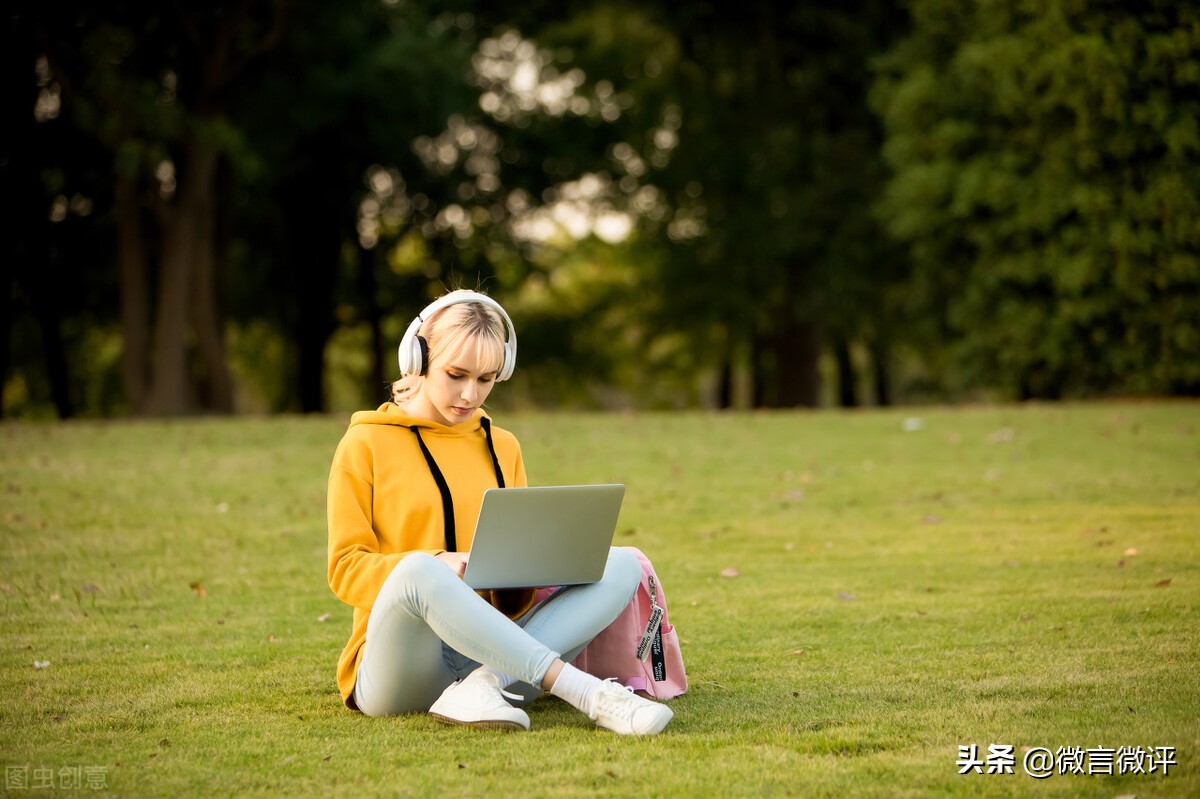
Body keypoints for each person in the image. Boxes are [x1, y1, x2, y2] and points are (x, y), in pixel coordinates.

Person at [326, 289, 674, 735]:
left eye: (487, 379)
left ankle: (482, 687)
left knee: (622, 563)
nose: (470, 394)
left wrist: (533, 574)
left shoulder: (502, 445)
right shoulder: (364, 445)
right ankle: (589, 694)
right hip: (398, 672)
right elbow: (345, 568)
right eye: (456, 375)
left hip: (491, 658)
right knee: (418, 571)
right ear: (417, 359)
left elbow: (516, 584)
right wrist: (438, 564)